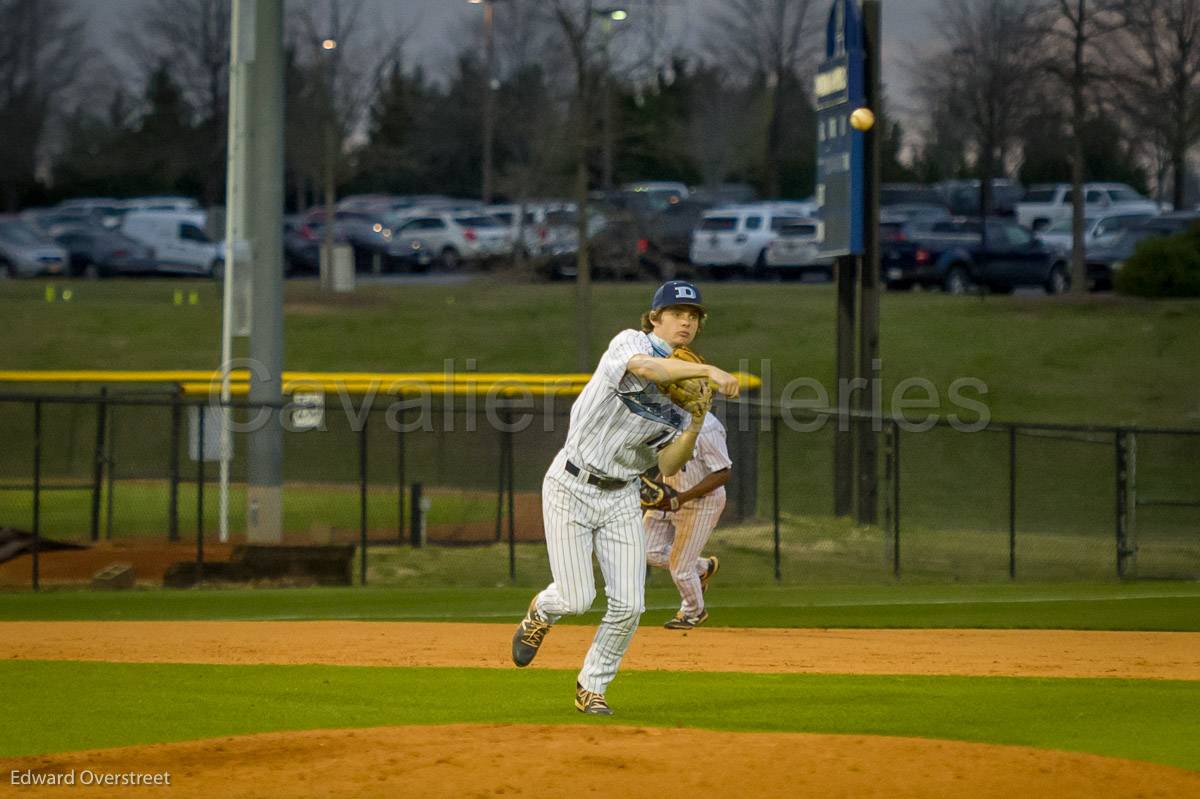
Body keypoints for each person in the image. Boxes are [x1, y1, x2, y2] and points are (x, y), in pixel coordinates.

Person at [510, 280, 740, 716]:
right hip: (570, 484)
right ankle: (541, 611)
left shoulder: (681, 403)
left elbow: (670, 466)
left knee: (631, 604)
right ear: (655, 319)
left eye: (693, 316)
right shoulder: (630, 343)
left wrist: (694, 422)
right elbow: (650, 371)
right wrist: (707, 372)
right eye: (676, 313)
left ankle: (591, 686)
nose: (686, 321)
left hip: (621, 496)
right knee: (577, 599)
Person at [644, 409, 731, 629]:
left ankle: (693, 612)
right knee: (644, 551)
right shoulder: (667, 418)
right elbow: (668, 465)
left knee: (681, 568)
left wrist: (681, 499)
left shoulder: (708, 427)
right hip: (671, 495)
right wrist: (656, 490)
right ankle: (702, 568)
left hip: (701, 503)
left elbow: (723, 473)